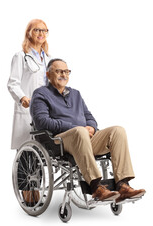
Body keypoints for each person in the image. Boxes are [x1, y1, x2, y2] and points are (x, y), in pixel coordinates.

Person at [30, 58, 146, 202]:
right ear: (48, 74)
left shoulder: (75, 94)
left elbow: (89, 116)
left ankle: (123, 185)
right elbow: (42, 122)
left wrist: (91, 127)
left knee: (118, 131)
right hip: (59, 142)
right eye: (59, 71)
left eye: (66, 71)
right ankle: (96, 187)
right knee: (80, 131)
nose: (64, 75)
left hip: (85, 137)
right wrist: (76, 128)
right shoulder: (40, 94)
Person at [8, 19, 51, 150]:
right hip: (27, 108)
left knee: (44, 151)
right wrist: (22, 98)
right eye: (37, 30)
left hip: (45, 109)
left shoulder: (49, 59)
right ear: (29, 33)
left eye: (44, 30)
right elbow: (13, 83)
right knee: (26, 152)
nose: (41, 33)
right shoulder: (20, 56)